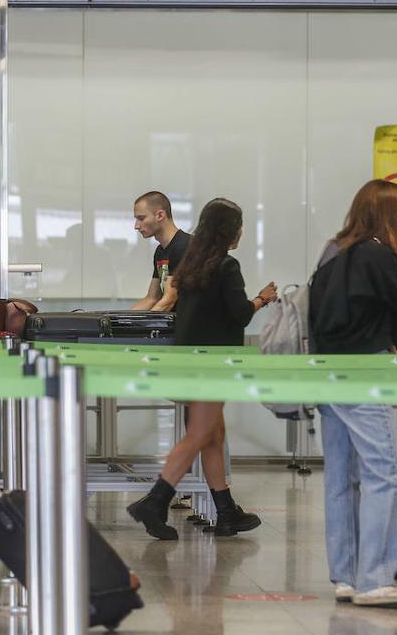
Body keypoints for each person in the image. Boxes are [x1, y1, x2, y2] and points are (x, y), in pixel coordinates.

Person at [309, 179, 397, 607]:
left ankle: (345, 575)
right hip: (365, 375)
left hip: (326, 375)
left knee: (341, 479)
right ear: (391, 216)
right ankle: (375, 577)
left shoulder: (332, 251)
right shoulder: (378, 255)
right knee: (385, 474)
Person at [126, 198, 276, 540]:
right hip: (212, 365)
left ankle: (225, 512)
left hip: (188, 359)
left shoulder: (191, 265)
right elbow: (240, 313)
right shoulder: (227, 266)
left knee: (212, 434)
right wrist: (262, 299)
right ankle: (155, 500)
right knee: (198, 435)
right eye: (239, 226)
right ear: (230, 231)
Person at [130, 191, 190, 311]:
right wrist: (118, 321)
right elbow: (152, 298)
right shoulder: (160, 251)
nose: (136, 226)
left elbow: (169, 300)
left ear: (160, 215)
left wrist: (145, 323)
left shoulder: (183, 246)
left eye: (141, 218)